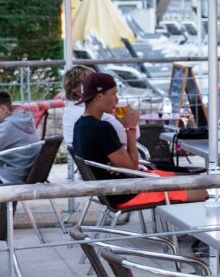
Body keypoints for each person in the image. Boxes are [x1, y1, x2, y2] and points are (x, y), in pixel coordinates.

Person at [72, 72, 203, 208]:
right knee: (204, 190)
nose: (117, 100)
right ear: (99, 96)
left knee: (189, 177)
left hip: (116, 189)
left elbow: (125, 166)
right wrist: (130, 128)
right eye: (114, 94)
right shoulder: (101, 128)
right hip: (127, 192)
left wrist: (119, 165)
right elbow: (131, 169)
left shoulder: (80, 125)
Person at [61, 65, 135, 148]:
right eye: (92, 86)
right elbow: (127, 140)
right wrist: (131, 125)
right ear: (79, 92)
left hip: (79, 160)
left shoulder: (70, 111)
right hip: (115, 159)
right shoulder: (99, 119)